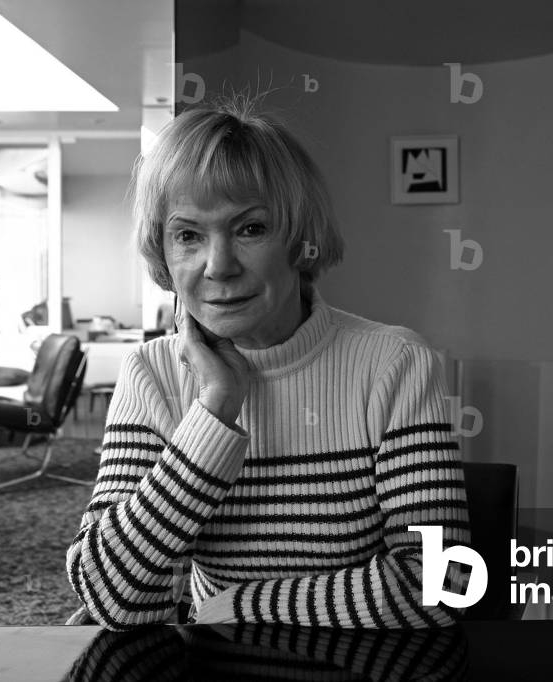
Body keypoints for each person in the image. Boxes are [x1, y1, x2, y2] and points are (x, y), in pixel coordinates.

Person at [65, 94, 471, 630]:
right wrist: (212, 414)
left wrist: (240, 606)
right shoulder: (152, 374)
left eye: (249, 228)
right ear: (164, 255)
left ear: (299, 241)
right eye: (188, 235)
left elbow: (443, 584)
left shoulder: (395, 364)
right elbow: (112, 597)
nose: (219, 266)